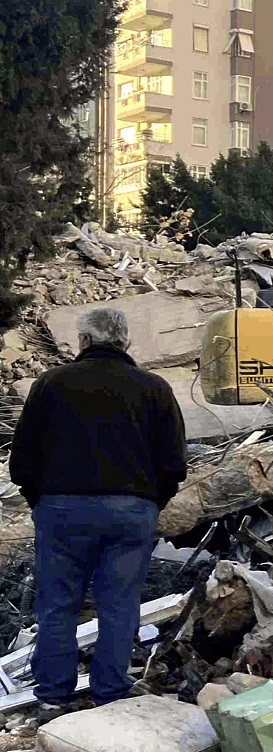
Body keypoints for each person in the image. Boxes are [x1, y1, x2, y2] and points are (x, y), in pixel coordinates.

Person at [10, 308, 187, 721]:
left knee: (57, 606)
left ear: (85, 341)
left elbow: (22, 461)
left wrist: (41, 499)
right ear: (125, 342)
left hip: (62, 509)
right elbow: (174, 463)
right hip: (130, 511)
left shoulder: (51, 384)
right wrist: (148, 503)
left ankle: (54, 699)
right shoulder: (153, 388)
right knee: (119, 605)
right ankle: (110, 695)